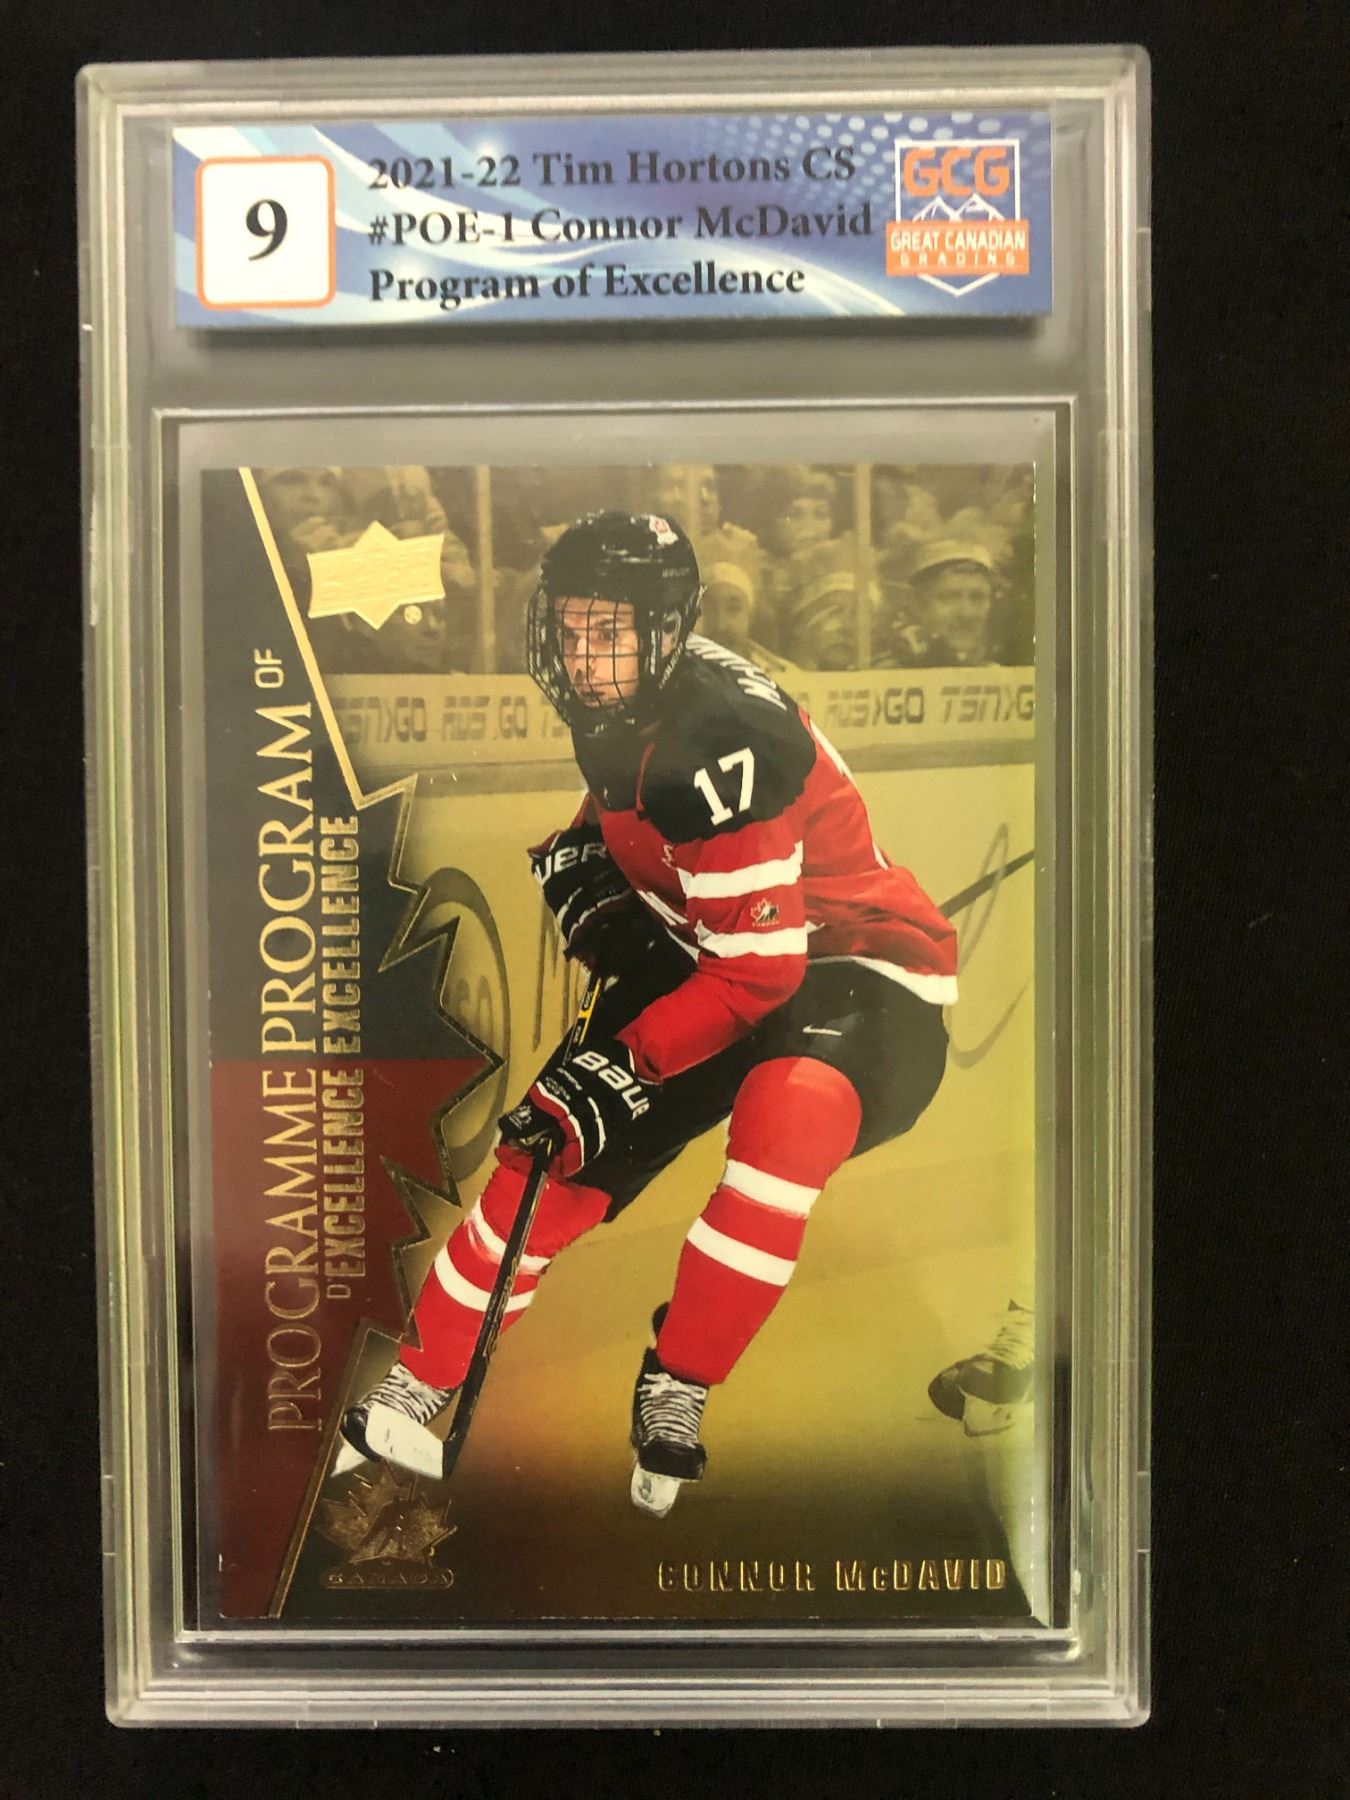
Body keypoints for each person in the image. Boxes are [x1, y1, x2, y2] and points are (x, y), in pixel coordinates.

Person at [335, 513, 958, 1515]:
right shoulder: (631, 696)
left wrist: (631, 1060)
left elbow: (760, 977)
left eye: (609, 633)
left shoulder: (727, 736)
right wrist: (586, 849)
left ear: (666, 632)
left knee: (787, 1123)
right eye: (571, 630)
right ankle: (420, 1380)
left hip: (850, 964)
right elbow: (654, 828)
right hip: (711, 947)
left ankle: (681, 1381)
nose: (585, 659)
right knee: (548, 1151)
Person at [893, 540, 999, 667]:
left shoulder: (998, 673)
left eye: (977, 598)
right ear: (919, 605)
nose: (966, 613)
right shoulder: (892, 673)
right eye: (950, 598)